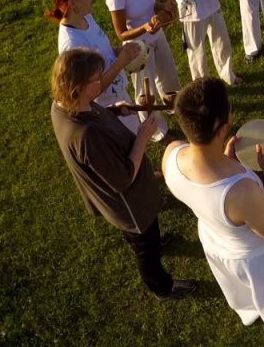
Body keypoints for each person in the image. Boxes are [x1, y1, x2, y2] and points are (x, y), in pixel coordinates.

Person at [162, 78, 264, 346]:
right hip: (254, 256)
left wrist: (226, 159)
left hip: (215, 240)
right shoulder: (240, 191)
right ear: (223, 125)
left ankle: (248, 311)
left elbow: (204, 186)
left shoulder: (171, 153)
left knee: (237, 289)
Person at [49, 49, 197, 300]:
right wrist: (143, 137)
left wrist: (114, 110)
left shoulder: (63, 105)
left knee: (148, 234)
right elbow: (123, 178)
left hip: (134, 199)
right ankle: (161, 287)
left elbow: (92, 112)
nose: (102, 82)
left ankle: (154, 240)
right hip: (129, 205)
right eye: (95, 80)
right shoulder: (85, 136)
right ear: (77, 88)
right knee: (145, 248)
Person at [47, 0, 153, 137]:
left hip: (118, 91)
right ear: (72, 4)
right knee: (128, 146)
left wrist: (120, 52)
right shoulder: (72, 45)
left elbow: (102, 49)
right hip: (104, 106)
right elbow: (89, 91)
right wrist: (120, 62)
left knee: (135, 135)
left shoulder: (86, 17)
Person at [105, 0, 180, 105]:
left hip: (157, 35)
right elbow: (121, 34)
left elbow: (148, 3)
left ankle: (174, 107)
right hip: (138, 47)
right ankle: (156, 131)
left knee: (168, 76)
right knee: (146, 93)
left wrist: (163, 6)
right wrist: (144, 28)